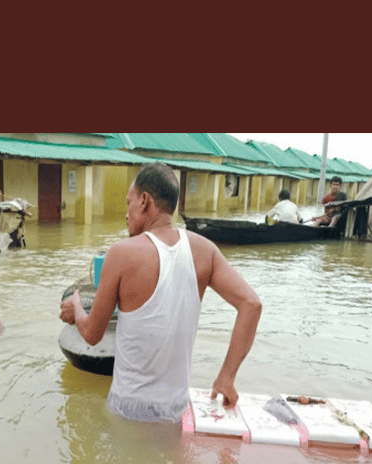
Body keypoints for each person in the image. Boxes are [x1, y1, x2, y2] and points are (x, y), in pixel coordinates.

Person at [59, 163, 262, 421]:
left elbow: (91, 334)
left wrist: (76, 306)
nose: (126, 213)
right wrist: (227, 377)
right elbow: (251, 304)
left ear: (144, 201)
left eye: (128, 203)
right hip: (176, 410)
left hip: (128, 410)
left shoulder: (121, 253)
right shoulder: (205, 250)